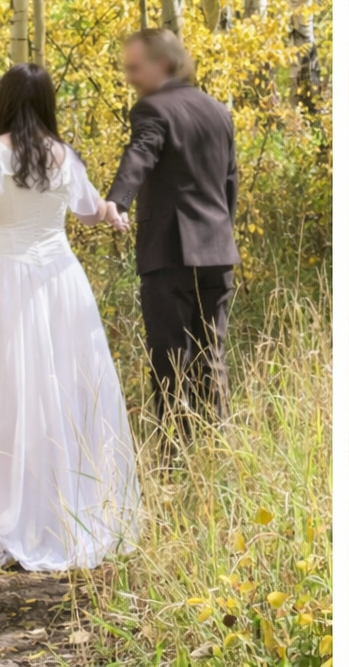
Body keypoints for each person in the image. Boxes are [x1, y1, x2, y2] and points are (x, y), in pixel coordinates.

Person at [0, 63, 139, 570]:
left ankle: (5, 504)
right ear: (48, 102)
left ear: (4, 101)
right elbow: (94, 212)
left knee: (3, 386)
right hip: (57, 279)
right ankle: (66, 501)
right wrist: (115, 212)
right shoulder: (64, 156)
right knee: (62, 385)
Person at [100, 28, 239, 434]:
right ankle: (216, 452)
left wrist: (118, 199)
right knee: (210, 356)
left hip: (170, 251)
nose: (130, 77)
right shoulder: (218, 110)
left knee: (170, 361)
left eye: (134, 68)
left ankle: (176, 461)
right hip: (217, 250)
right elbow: (229, 183)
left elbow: (141, 151)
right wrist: (220, 232)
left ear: (161, 64)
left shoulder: (152, 110)